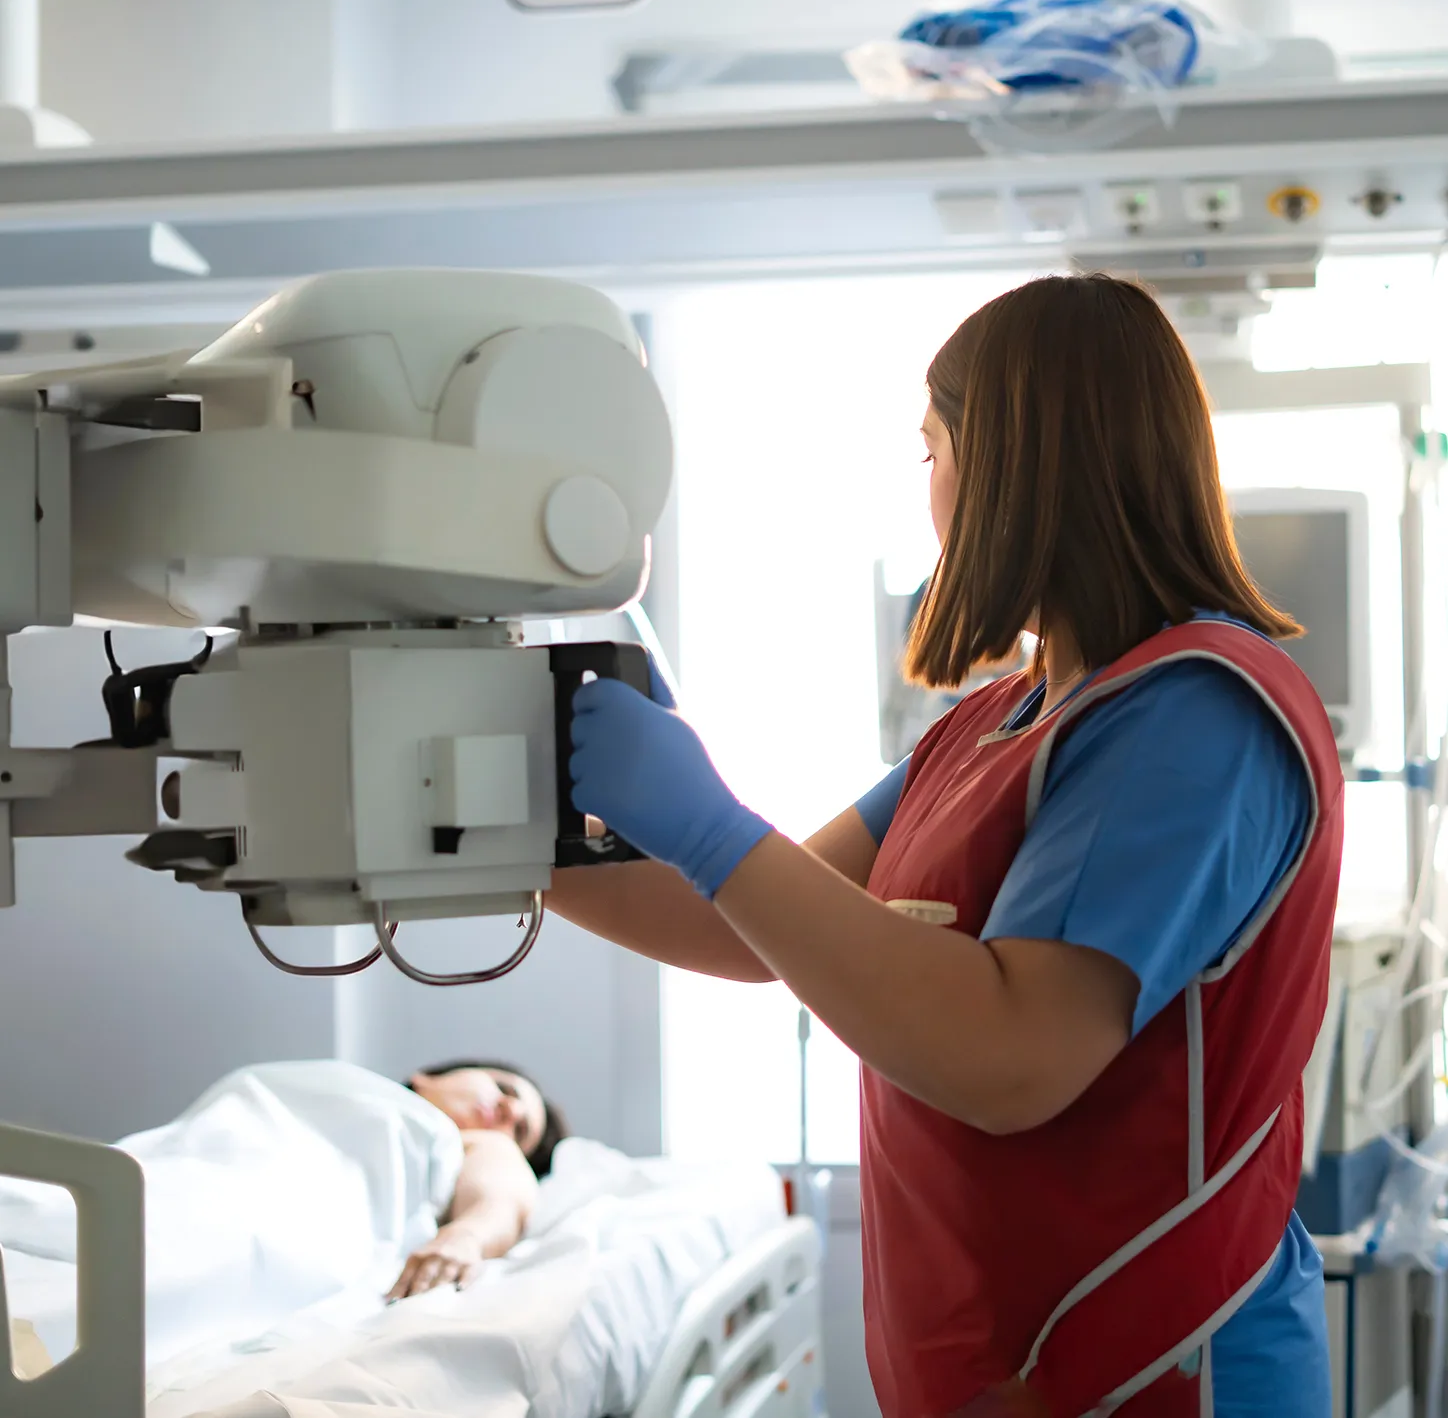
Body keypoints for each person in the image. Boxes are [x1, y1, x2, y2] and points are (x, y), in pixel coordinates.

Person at [551, 274, 1342, 1417]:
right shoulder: (993, 724)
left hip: (1156, 1378)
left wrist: (711, 822)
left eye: (930, 453)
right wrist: (479, 832)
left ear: (1014, 463)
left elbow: (1008, 1054)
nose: (927, 493)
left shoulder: (1193, 714)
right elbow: (736, 925)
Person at [389, 1059, 569, 1300]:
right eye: (504, 1089)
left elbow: (504, 1195)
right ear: (427, 1076)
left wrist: (466, 1236)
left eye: (519, 1131)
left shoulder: (483, 1144)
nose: (512, 1110)